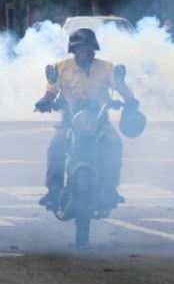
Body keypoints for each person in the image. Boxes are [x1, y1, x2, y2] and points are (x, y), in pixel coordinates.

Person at [34, 28, 138, 209]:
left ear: (94, 48)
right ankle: (53, 191)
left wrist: (130, 100)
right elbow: (52, 90)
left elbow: (120, 86)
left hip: (98, 119)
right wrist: (45, 101)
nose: (84, 51)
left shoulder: (107, 67)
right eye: (80, 48)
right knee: (55, 146)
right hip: (70, 118)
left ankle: (110, 189)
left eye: (88, 47)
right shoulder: (61, 67)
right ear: (73, 50)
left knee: (114, 144)